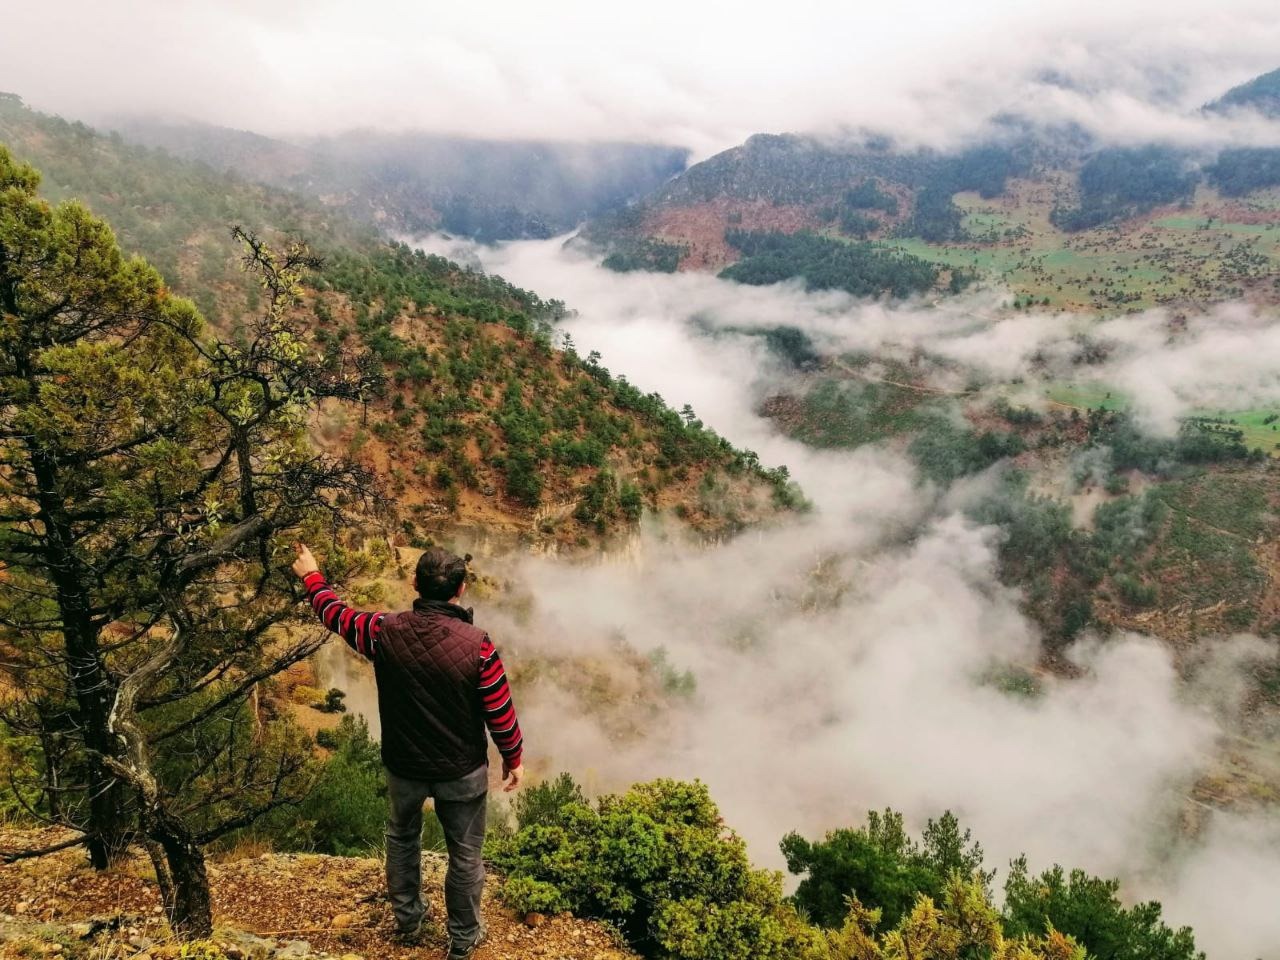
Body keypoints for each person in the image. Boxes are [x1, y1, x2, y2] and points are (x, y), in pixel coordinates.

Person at [291, 543, 524, 960]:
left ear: (414, 583)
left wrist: (312, 576)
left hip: (404, 764)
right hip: (461, 769)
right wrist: (513, 758)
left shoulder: (383, 630)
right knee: (466, 854)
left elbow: (335, 615)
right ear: (462, 589)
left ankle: (408, 919)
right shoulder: (479, 646)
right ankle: (463, 936)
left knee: (401, 837)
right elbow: (499, 710)